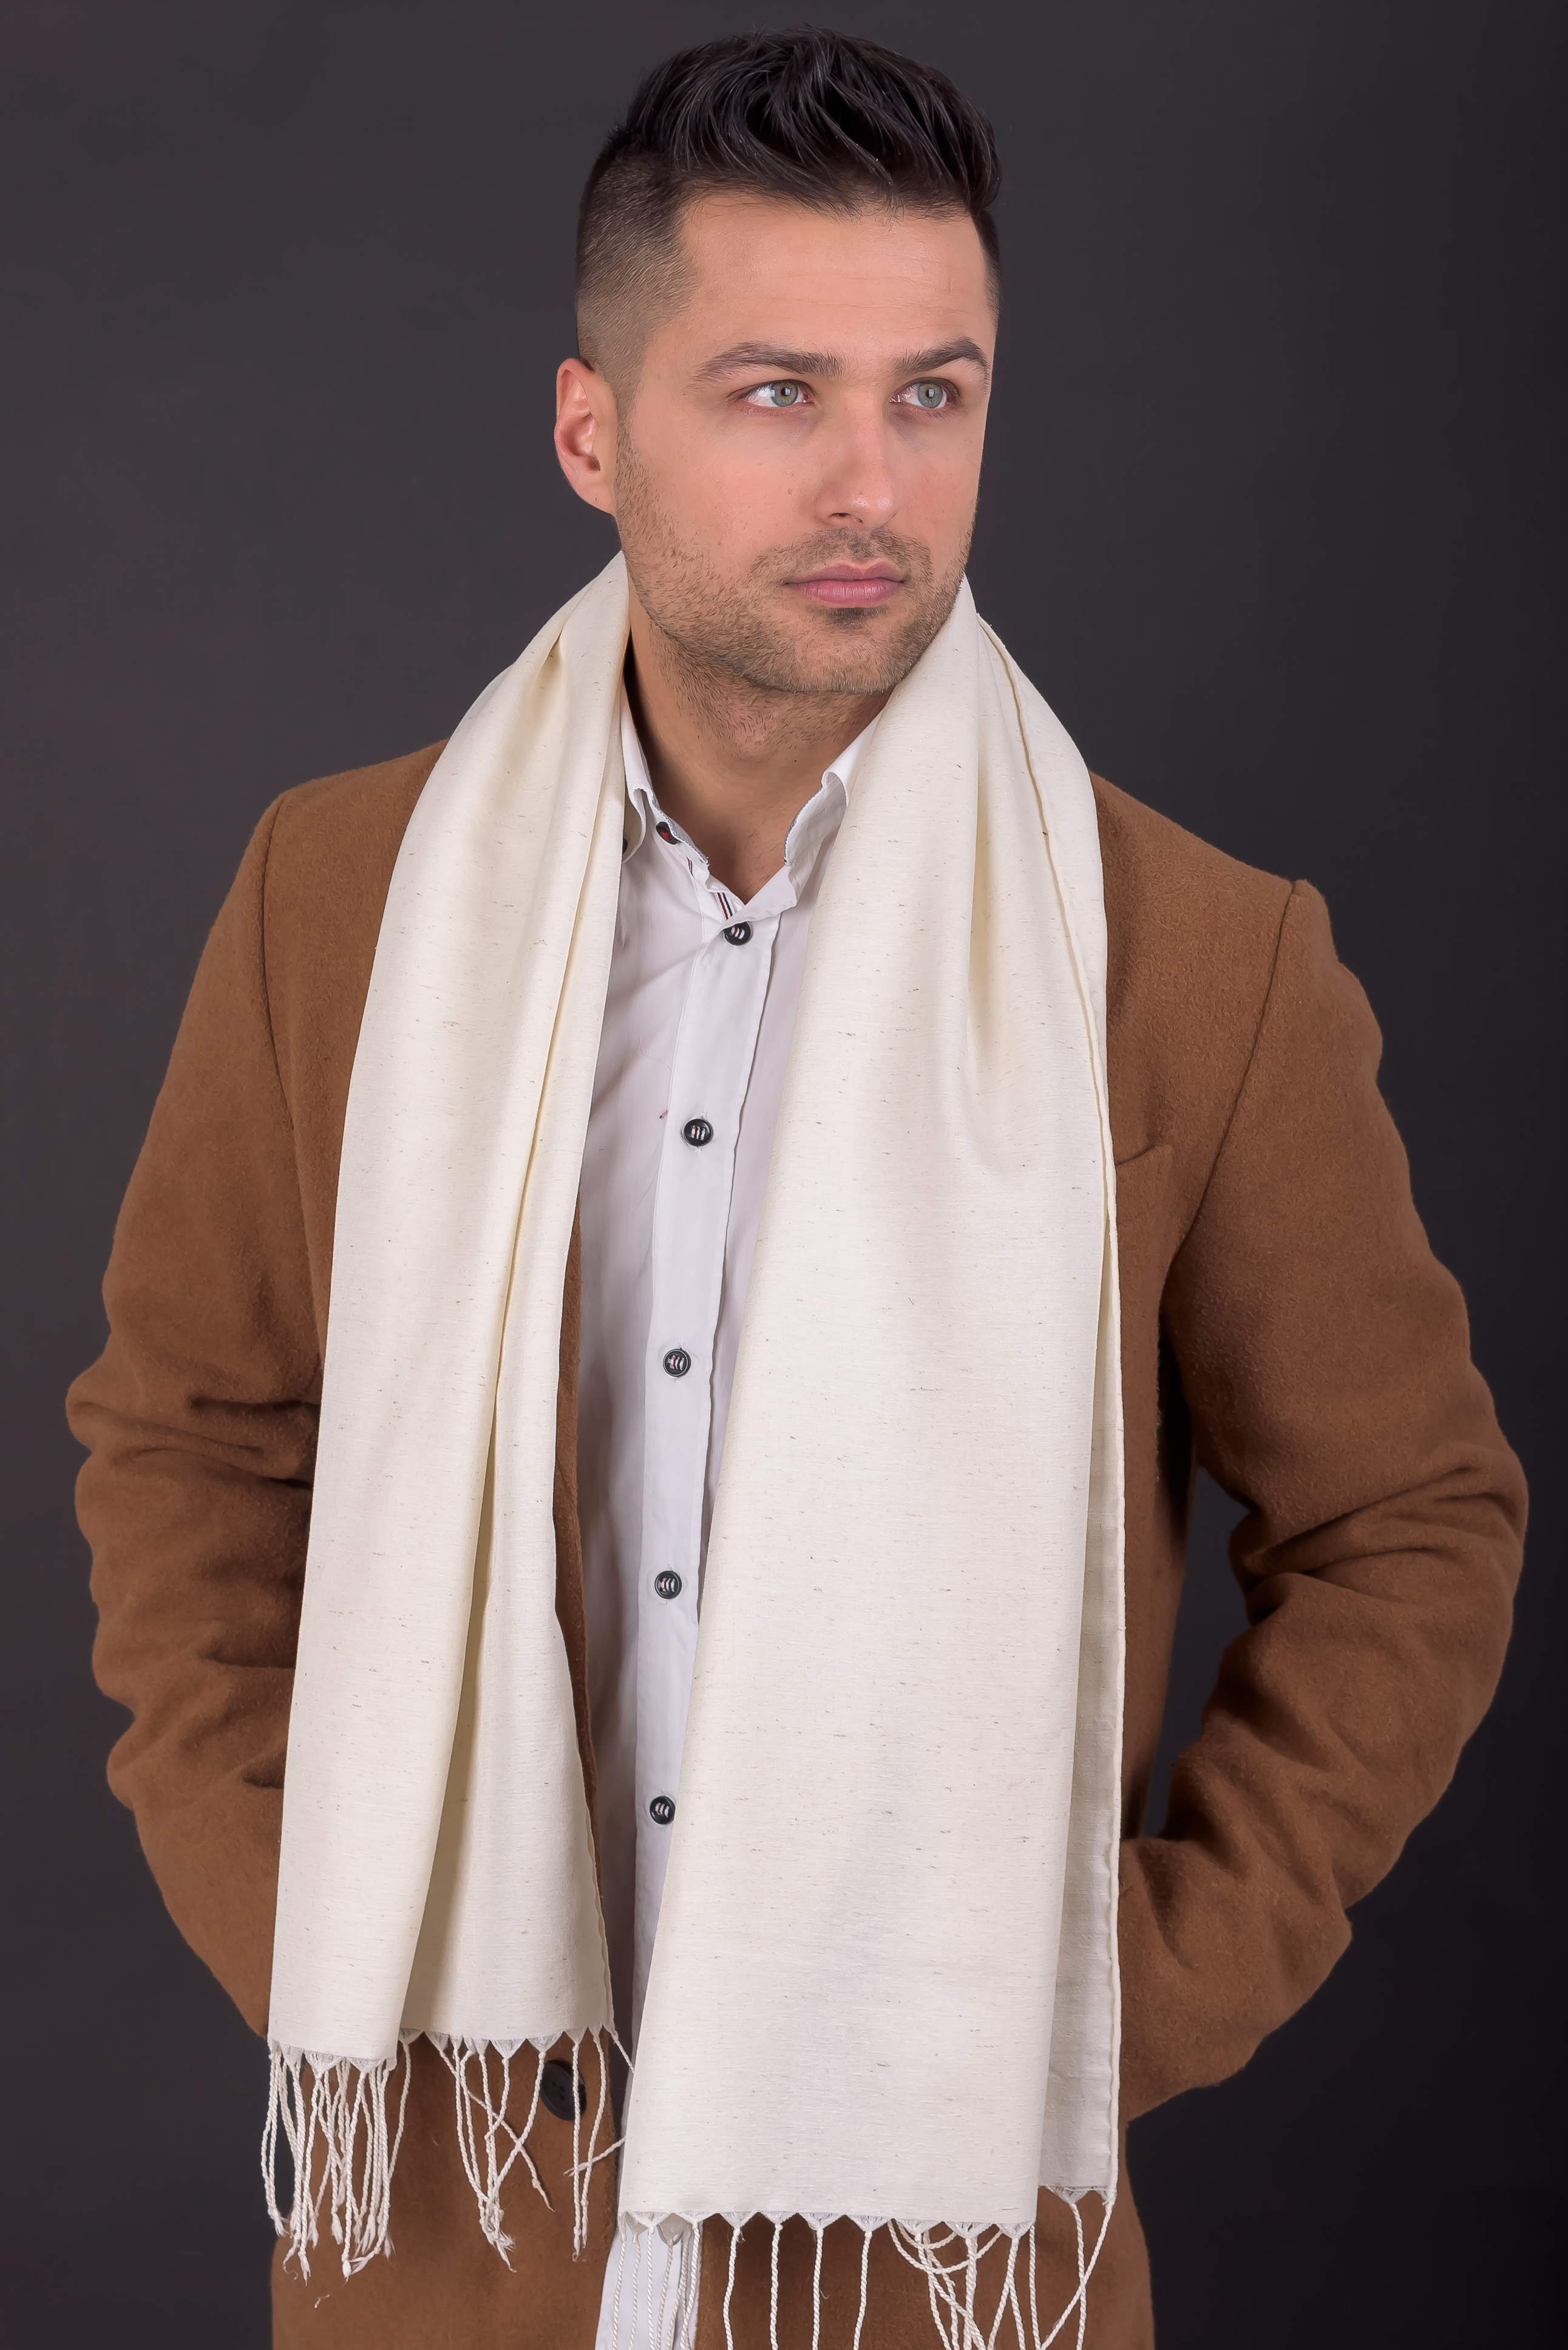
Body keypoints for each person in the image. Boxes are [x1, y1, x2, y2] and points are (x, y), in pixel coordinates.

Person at [67, 27, 1525, 2350]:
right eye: (777, 394)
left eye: (934, 395)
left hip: (946, 2249)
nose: (873, 483)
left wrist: (1109, 2000)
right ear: (591, 433)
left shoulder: (1195, 961)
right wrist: (319, 1920)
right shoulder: (340, 901)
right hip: (459, 2229)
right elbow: (190, 1438)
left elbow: (1410, 1524)